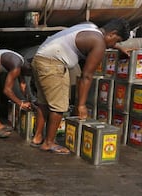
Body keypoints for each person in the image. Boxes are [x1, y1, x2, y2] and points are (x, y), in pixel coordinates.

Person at [31, 19, 130, 154]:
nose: (114, 45)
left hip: (40, 58)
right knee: (59, 106)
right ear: (112, 34)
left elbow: (94, 40)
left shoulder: (90, 27)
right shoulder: (99, 43)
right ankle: (48, 143)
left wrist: (117, 47)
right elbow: (87, 76)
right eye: (116, 41)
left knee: (44, 102)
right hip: (53, 64)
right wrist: (81, 105)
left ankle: (37, 137)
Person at [0, 49, 36, 139]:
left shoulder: (21, 62)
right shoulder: (16, 65)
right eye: (30, 74)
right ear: (29, 68)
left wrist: (28, 100)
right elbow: (7, 90)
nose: (29, 76)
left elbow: (23, 84)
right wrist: (20, 103)